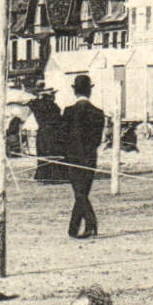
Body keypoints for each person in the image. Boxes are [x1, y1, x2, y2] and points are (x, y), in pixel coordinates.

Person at [61, 75, 104, 239]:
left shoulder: (69, 112)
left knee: (80, 193)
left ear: (74, 91)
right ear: (90, 91)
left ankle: (91, 224)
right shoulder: (98, 113)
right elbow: (97, 140)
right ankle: (73, 228)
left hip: (73, 158)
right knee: (82, 192)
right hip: (90, 157)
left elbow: (63, 136)